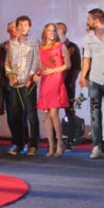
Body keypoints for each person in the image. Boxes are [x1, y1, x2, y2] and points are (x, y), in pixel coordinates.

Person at [80, 8, 104, 159]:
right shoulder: (88, 38)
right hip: (95, 80)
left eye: (89, 19)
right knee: (95, 115)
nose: (87, 22)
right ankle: (96, 146)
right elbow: (87, 59)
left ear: (96, 21)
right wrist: (83, 77)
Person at [5, 15, 41, 156]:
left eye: (26, 25)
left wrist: (30, 78)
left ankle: (34, 145)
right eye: (20, 25)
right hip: (15, 84)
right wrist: (10, 76)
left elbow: (36, 61)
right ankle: (19, 144)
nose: (23, 27)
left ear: (29, 27)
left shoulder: (34, 41)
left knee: (31, 115)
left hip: (28, 83)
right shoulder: (12, 44)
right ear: (17, 27)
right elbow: (8, 63)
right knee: (16, 115)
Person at [36, 23, 70, 157]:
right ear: (45, 32)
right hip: (45, 82)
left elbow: (68, 65)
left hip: (56, 80)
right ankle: (51, 145)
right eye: (49, 31)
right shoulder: (40, 48)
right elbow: (40, 66)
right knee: (46, 115)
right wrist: (37, 74)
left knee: (54, 113)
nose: (52, 33)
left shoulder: (61, 46)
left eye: (54, 31)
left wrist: (54, 70)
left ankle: (60, 143)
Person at [56, 22, 82, 150]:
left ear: (63, 32)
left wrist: (72, 82)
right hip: (55, 84)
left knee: (69, 112)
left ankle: (70, 141)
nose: (54, 33)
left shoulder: (72, 47)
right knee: (53, 112)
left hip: (67, 84)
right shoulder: (53, 46)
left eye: (57, 31)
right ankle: (56, 140)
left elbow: (77, 67)